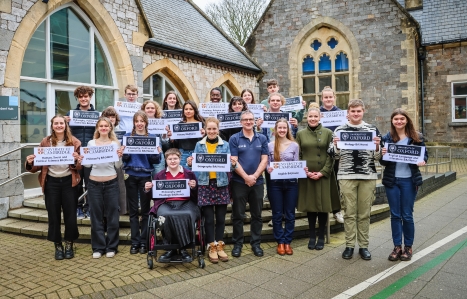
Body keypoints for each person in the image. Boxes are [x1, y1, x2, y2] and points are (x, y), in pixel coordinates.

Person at [25, 115, 81, 260]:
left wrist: (76, 160)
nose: (59, 126)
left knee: (70, 215)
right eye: (56, 123)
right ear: (52, 125)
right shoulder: (45, 142)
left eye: (61, 123)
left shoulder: (74, 142)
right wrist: (31, 162)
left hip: (69, 182)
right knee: (53, 215)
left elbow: (80, 165)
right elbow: (39, 164)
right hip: (51, 183)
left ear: (65, 125)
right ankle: (57, 245)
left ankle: (69, 243)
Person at [331, 99, 381, 260]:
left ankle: (364, 246)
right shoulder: (340, 130)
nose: (356, 114)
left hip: (367, 175)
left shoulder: (372, 130)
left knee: (364, 213)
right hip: (346, 175)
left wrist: (378, 146)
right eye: (353, 111)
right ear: (348, 113)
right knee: (349, 213)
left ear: (363, 111)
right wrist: (336, 145)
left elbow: (379, 157)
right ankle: (349, 245)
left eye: (358, 111)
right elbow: (334, 154)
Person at [381, 108, 427, 262]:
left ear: (407, 120)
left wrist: (422, 161)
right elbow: (383, 162)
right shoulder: (387, 137)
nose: (399, 121)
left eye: (402, 119)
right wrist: (383, 154)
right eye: (396, 119)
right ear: (392, 121)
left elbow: (424, 156)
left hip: (409, 180)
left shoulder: (416, 137)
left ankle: (408, 246)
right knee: (395, 214)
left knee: (406, 214)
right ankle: (397, 247)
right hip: (392, 181)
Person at [187, 117, 235, 263]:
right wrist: (190, 162)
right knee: (208, 219)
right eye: (209, 129)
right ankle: (211, 246)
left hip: (221, 184)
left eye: (214, 129)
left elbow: (229, 167)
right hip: (205, 184)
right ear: (205, 130)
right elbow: (195, 166)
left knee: (220, 218)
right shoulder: (199, 145)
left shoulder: (225, 144)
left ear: (218, 130)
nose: (212, 131)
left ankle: (219, 245)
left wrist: (233, 163)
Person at [144, 148, 200, 263]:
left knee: (187, 214)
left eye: (175, 158)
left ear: (180, 159)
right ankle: (171, 248)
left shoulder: (189, 174)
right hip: (166, 203)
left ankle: (183, 249)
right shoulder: (160, 175)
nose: (173, 161)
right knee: (165, 215)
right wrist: (147, 189)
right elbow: (154, 196)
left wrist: (194, 187)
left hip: (186, 203)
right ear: (166, 160)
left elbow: (196, 195)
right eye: (170, 159)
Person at [79, 117, 124, 258]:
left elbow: (117, 166)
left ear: (110, 128)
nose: (104, 128)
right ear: (97, 128)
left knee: (112, 216)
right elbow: (87, 166)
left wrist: (120, 156)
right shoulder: (91, 144)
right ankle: (98, 247)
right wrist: (82, 159)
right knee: (96, 216)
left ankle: (112, 247)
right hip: (94, 184)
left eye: (106, 126)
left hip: (111, 183)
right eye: (101, 126)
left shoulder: (115, 144)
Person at [296, 103, 339, 251]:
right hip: (307, 175)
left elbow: (331, 155)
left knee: (322, 207)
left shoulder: (328, 133)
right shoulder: (300, 134)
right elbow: (299, 154)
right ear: (307, 118)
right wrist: (304, 170)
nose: (313, 119)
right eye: (310, 116)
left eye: (316, 116)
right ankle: (312, 236)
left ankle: (321, 236)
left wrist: (323, 172)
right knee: (311, 207)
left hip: (324, 175)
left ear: (320, 117)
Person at [229, 110, 269, 257]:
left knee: (257, 215)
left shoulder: (262, 138)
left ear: (254, 121)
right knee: (238, 215)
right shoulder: (234, 138)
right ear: (241, 122)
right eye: (245, 119)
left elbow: (264, 160)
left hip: (257, 182)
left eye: (250, 119)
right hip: (239, 181)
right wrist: (246, 177)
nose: (248, 122)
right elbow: (234, 161)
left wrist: (255, 176)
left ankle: (256, 243)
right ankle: (237, 244)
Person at [123, 111, 162, 255]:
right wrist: (124, 152)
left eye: (142, 121)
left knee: (145, 211)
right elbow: (125, 159)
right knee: (133, 211)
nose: (139, 123)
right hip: (130, 176)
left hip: (145, 176)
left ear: (146, 122)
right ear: (134, 123)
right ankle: (135, 242)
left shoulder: (152, 138)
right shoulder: (127, 137)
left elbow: (155, 161)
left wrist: (157, 153)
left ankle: (144, 242)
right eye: (136, 121)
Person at [266, 119, 300, 255]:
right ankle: (280, 241)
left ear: (287, 129)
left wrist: (302, 169)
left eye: (284, 128)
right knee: (277, 213)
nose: (281, 130)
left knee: (290, 214)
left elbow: (297, 163)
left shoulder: (294, 145)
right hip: (275, 184)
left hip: (291, 183)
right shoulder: (270, 145)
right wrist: (269, 169)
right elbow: (268, 164)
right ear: (275, 129)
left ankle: (287, 241)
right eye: (279, 128)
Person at [65, 86, 98, 220]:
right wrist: (64, 121)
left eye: (86, 96)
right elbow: (64, 133)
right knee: (76, 182)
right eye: (81, 97)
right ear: (78, 98)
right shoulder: (70, 114)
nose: (84, 99)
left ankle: (89, 207)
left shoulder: (97, 115)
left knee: (91, 182)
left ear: (90, 97)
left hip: (91, 154)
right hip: (76, 154)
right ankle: (78, 207)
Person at [319, 86, 344, 224]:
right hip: (320, 153)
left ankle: (337, 210)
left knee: (335, 182)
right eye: (325, 97)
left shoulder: (341, 113)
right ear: (322, 99)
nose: (328, 99)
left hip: (336, 152)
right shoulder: (318, 113)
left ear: (334, 98)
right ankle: (321, 210)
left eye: (330, 97)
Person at [101, 107, 127, 216]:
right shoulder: (100, 131)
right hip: (103, 167)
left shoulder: (122, 132)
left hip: (118, 165)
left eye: (113, 117)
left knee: (119, 191)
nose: (111, 119)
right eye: (108, 117)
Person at [166, 101, 205, 167]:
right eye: (186, 109)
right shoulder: (180, 124)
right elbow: (176, 143)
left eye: (191, 109)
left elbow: (207, 140)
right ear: (183, 111)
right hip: (183, 153)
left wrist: (204, 135)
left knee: (196, 176)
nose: (188, 111)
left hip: (197, 152)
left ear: (195, 110)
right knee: (185, 175)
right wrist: (171, 138)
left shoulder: (201, 124)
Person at [141, 100, 166, 174]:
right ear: (144, 110)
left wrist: (165, 134)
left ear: (156, 110)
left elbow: (165, 142)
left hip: (157, 153)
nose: (150, 110)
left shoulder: (161, 122)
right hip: (144, 153)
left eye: (152, 108)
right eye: (148, 108)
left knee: (158, 177)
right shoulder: (139, 122)